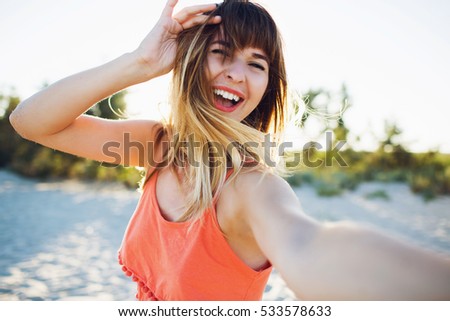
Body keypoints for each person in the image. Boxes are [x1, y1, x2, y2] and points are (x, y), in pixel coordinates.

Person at [9, 0, 450, 301]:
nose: (238, 73)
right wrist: (139, 63)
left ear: (267, 86)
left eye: (256, 64)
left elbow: (308, 244)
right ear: (192, 60)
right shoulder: (160, 146)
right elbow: (30, 121)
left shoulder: (251, 187)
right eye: (222, 52)